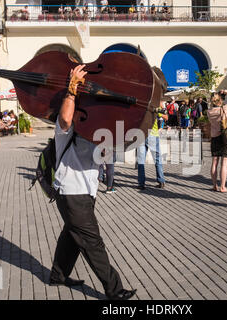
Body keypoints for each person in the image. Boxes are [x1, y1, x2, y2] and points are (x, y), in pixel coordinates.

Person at [49, 64, 136, 300]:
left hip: (87, 192)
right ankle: (114, 290)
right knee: (91, 241)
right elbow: (66, 118)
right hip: (70, 191)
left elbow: (106, 157)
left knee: (71, 235)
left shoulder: (95, 130)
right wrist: (72, 87)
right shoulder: (65, 128)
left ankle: (57, 275)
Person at [207, 90, 227, 193]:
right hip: (225, 137)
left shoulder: (209, 111)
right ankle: (223, 187)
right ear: (221, 101)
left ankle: (214, 185)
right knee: (224, 164)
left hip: (214, 137)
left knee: (214, 162)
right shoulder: (224, 109)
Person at [137, 104, 168, 190]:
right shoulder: (154, 107)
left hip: (141, 134)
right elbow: (166, 117)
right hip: (152, 134)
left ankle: (141, 183)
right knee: (157, 159)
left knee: (141, 160)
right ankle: (161, 180)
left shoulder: (139, 106)